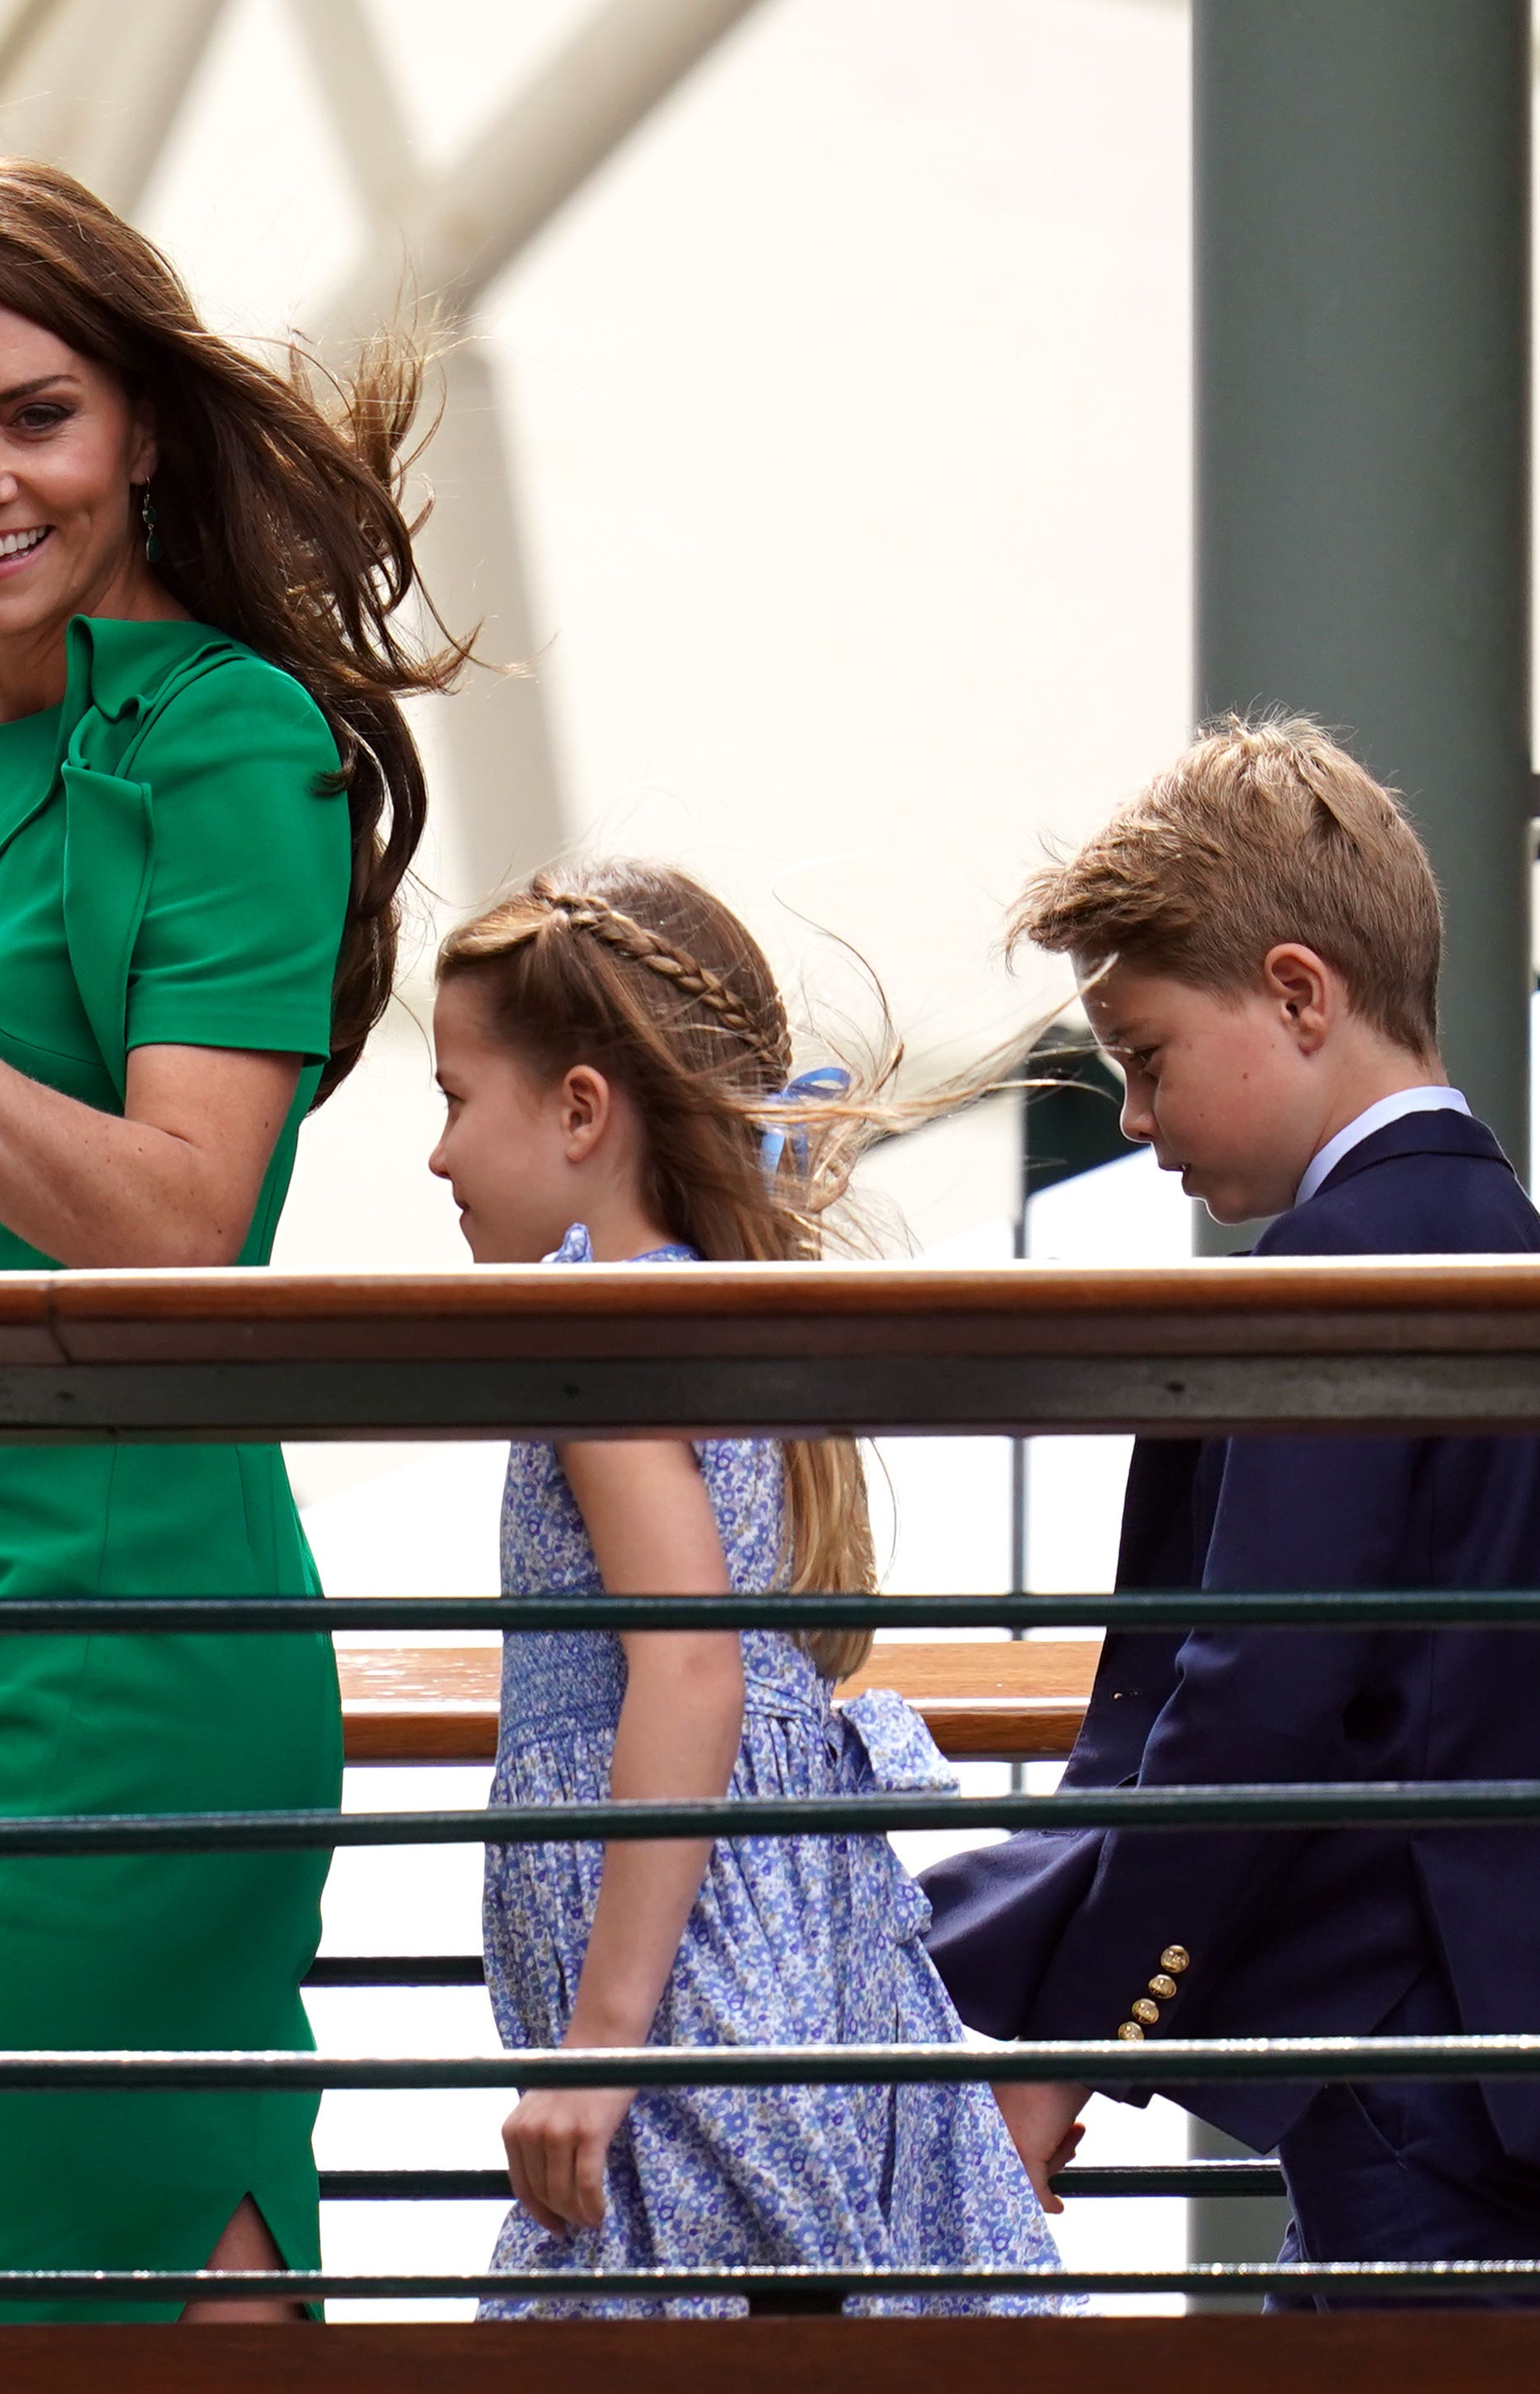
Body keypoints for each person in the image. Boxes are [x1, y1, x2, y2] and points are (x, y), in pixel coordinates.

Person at [0, 157, 461, 2323]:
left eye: (32, 414)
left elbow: (175, 1226)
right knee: (158, 2288)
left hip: (135, 1677)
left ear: (140, 425)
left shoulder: (225, 735)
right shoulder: (0, 770)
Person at [919, 717, 1540, 2306]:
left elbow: (1250, 1696)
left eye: (1146, 1056)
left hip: (1414, 2086)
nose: (1131, 1117)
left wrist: (1067, 2049)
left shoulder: (1332, 1278)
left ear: (1300, 995)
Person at [427, 863, 1065, 2318]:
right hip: (763, 1934)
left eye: (458, 1099)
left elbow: (691, 1667)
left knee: (690, 2298)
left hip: (683, 1970)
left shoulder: (594, 1320)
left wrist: (599, 2049)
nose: (437, 1154)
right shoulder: (714, 1302)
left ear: (583, 1110)